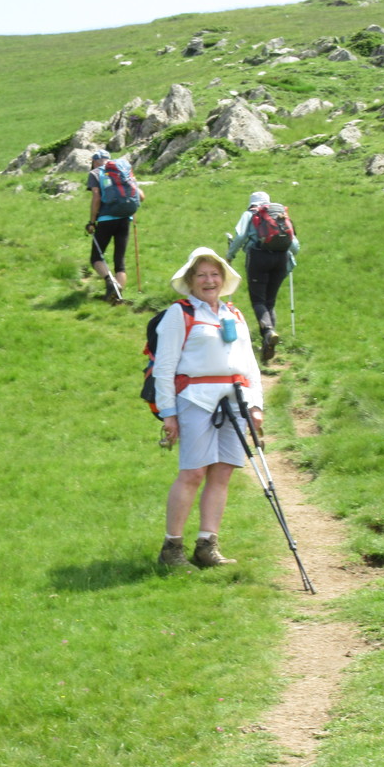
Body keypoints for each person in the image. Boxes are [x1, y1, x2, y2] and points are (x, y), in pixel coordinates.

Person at [152, 247, 264, 569]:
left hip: (235, 400)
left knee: (223, 472)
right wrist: (168, 413)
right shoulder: (180, 313)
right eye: (201, 275)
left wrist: (256, 406)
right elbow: (164, 367)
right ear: (190, 281)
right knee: (193, 472)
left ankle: (207, 546)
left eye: (215, 274)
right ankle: (172, 549)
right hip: (195, 399)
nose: (209, 280)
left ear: (223, 279)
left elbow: (250, 366)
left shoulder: (234, 315)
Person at [226, 190, 301, 363]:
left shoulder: (250, 214)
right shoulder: (280, 216)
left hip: (258, 257)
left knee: (258, 301)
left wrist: (230, 255)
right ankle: (268, 341)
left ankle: (268, 332)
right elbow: (295, 246)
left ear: (251, 203)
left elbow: (240, 236)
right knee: (270, 301)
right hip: (281, 259)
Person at [85, 150, 144, 304]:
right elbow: (141, 196)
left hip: (106, 219)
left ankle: (110, 282)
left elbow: (96, 196)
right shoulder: (123, 171)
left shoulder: (95, 173)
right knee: (120, 261)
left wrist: (92, 222)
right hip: (125, 219)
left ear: (95, 162)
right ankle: (117, 298)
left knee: (96, 258)